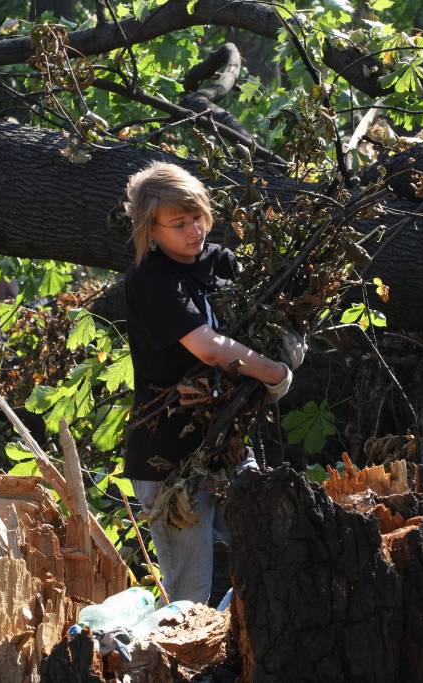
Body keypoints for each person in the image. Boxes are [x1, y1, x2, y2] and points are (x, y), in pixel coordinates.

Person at [123, 162, 295, 604]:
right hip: (169, 458)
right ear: (150, 228)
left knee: (274, 553)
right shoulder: (151, 280)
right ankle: (174, 667)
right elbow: (210, 348)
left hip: (229, 443)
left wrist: (291, 343)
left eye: (197, 216)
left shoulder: (222, 262)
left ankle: (242, 654)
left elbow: (260, 325)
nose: (193, 229)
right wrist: (273, 373)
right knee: (188, 592)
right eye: (178, 223)